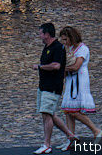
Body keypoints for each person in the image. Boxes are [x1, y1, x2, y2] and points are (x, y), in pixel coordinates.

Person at [32, 23, 77, 155]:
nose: (39, 35)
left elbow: (56, 66)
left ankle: (47, 144)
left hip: (52, 87)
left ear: (47, 34)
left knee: (47, 114)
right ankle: (70, 135)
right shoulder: (47, 47)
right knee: (48, 113)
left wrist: (40, 67)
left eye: (40, 33)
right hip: (44, 85)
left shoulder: (58, 48)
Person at [58, 27, 102, 148]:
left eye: (65, 39)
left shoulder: (83, 49)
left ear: (71, 37)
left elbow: (76, 66)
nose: (64, 42)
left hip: (79, 82)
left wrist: (60, 68)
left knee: (74, 111)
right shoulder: (71, 48)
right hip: (71, 81)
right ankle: (71, 139)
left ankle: (95, 130)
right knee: (68, 111)